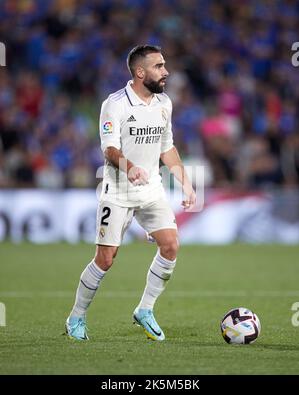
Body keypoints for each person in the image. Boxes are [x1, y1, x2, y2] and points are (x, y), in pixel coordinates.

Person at [65, 45, 196, 341]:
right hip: (118, 191)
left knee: (171, 245)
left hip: (151, 190)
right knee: (106, 258)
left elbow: (167, 148)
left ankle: (145, 309)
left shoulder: (164, 103)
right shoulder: (114, 104)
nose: (166, 72)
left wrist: (186, 182)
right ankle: (76, 316)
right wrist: (130, 167)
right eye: (159, 66)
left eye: (164, 65)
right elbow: (109, 148)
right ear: (140, 72)